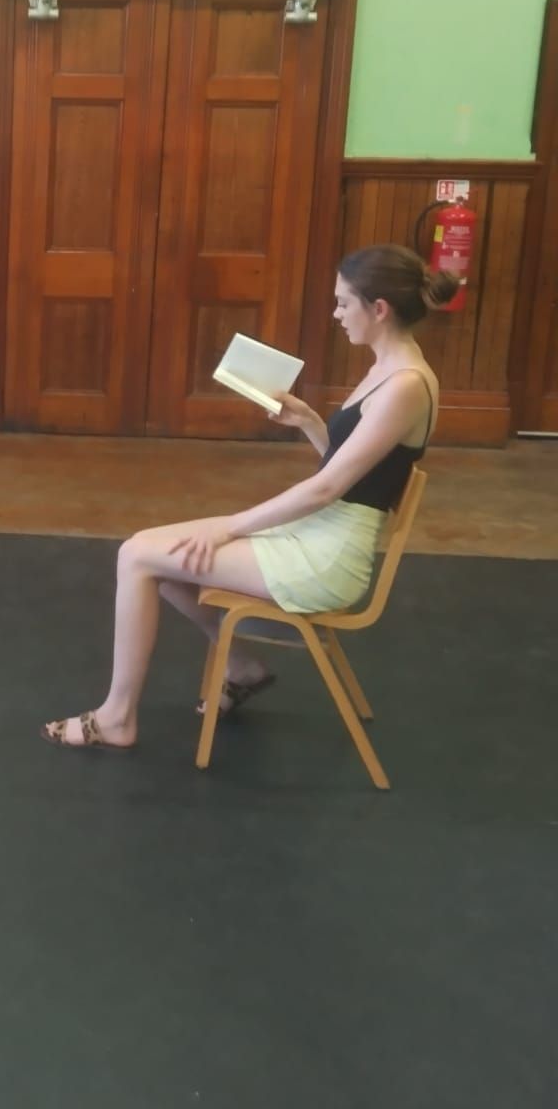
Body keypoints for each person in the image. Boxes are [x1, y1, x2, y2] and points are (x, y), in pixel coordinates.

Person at [42, 244, 456, 751]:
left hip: (326, 560)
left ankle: (116, 718)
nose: (336, 314)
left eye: (344, 303)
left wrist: (230, 527)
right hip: (322, 534)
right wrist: (310, 422)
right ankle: (240, 667)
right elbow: (356, 474)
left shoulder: (405, 386)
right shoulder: (389, 370)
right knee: (155, 553)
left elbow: (328, 488)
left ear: (380, 309)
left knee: (138, 557)